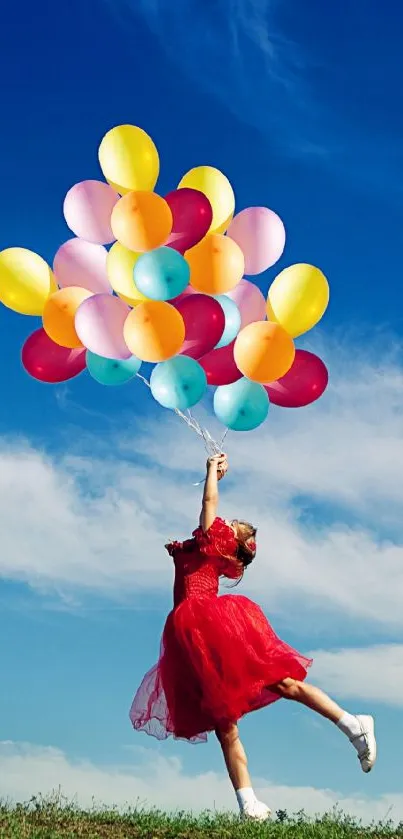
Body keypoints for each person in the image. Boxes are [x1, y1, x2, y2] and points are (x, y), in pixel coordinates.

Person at [130, 454, 376, 822]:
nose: (224, 523)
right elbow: (209, 512)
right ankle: (250, 805)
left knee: (285, 684)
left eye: (231, 527)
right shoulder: (202, 548)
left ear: (226, 543)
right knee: (224, 724)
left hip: (209, 627)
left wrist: (211, 472)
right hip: (189, 640)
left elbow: (208, 502)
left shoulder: (210, 545)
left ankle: (354, 724)